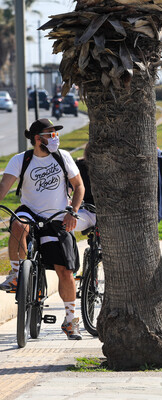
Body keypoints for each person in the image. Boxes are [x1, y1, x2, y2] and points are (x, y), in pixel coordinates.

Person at [0, 118, 85, 340]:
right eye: (50, 134)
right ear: (38, 139)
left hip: (57, 217)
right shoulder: (21, 160)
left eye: (55, 134)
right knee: (18, 224)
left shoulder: (63, 157)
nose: (55, 137)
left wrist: (72, 211)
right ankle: (18, 274)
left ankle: (69, 321)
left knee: (65, 271)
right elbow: (4, 186)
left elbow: (79, 187)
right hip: (30, 211)